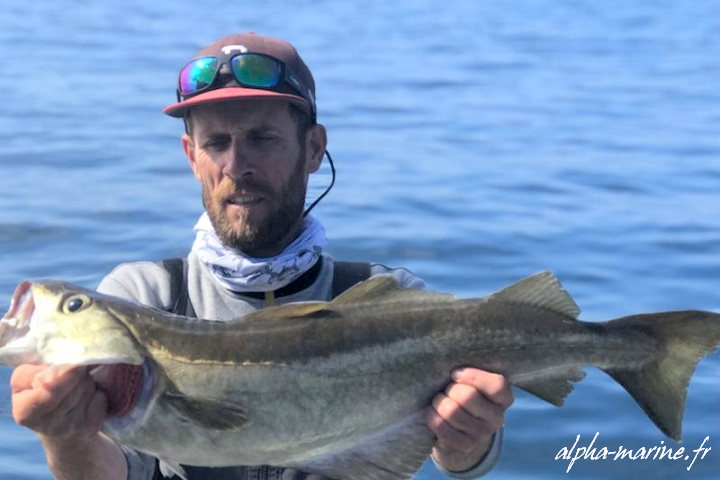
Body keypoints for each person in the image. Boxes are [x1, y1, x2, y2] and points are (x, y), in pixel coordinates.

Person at [10, 32, 513, 480]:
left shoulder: (390, 302)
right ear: (192, 156)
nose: (237, 165)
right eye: (217, 143)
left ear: (314, 149)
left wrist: (468, 441)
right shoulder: (143, 294)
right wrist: (65, 437)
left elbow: (450, 455)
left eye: (261, 139)